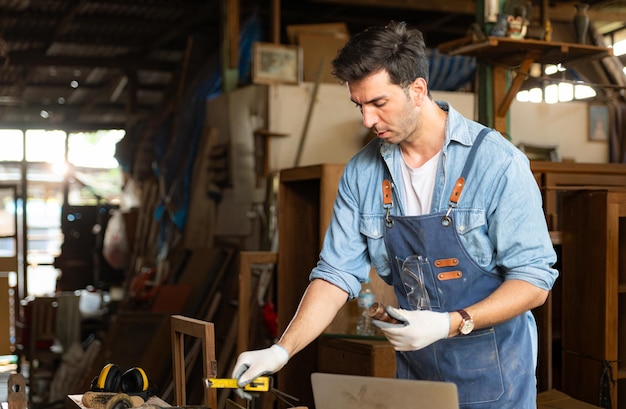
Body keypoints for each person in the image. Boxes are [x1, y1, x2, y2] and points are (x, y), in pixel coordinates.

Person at [231, 20, 558, 408]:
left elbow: (535, 281)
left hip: (496, 378)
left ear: (417, 90)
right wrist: (281, 350)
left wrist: (451, 323)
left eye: (378, 103)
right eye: (359, 105)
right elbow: (336, 274)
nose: (367, 120)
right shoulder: (361, 173)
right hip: (417, 379)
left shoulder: (498, 164)